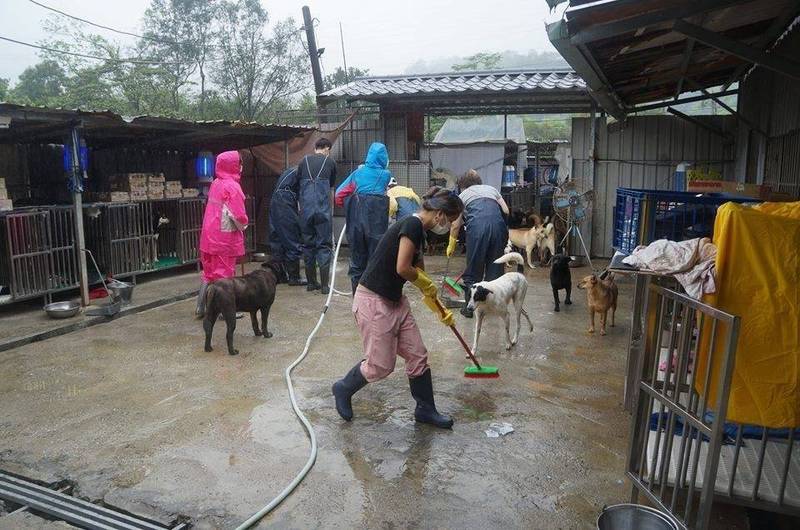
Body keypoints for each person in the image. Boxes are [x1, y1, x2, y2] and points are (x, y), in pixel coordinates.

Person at [331, 187, 464, 430]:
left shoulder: (419, 232)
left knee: (417, 354)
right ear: (440, 214)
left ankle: (425, 409)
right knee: (380, 365)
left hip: (395, 300)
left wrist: (438, 305)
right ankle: (343, 388)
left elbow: (419, 272)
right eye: (451, 220)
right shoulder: (412, 225)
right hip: (373, 300)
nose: (448, 227)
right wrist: (425, 282)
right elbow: (403, 268)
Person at [448, 169, 509, 318]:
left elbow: (456, 225)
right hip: (499, 228)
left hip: (477, 228)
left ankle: (469, 309)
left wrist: (451, 243)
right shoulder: (492, 189)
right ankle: (492, 306)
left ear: (464, 185)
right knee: (495, 268)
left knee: (474, 268)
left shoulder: (462, 196)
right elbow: (506, 210)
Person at [195, 150, 249, 318]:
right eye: (239, 163)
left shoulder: (216, 183)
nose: (241, 167)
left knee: (209, 274)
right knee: (224, 276)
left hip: (208, 237)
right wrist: (244, 226)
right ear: (234, 165)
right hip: (223, 240)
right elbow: (239, 217)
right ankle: (224, 312)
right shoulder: (233, 187)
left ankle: (201, 308)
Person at [335, 142, 392, 294]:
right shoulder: (386, 175)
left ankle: (357, 298)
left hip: (356, 222)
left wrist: (349, 206)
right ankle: (373, 296)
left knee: (357, 262)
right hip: (377, 223)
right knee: (375, 260)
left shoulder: (357, 173)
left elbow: (339, 195)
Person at [297, 138, 337, 294]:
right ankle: (325, 286)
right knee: (324, 245)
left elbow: (299, 182)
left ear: (315, 148)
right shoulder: (330, 162)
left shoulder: (303, 161)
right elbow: (331, 186)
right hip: (322, 210)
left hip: (306, 210)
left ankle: (311, 283)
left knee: (308, 246)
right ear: (327, 148)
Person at [268, 167, 306, 286]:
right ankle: (294, 277)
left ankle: (280, 276)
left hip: (275, 200)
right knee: (292, 238)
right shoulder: (304, 172)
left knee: (277, 240)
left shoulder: (292, 171)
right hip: (285, 201)